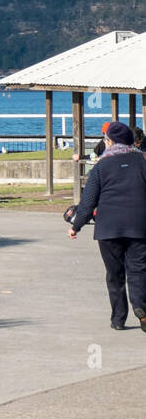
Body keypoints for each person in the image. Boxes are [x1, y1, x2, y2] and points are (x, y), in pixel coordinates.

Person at [69, 121, 146, 331]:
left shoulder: (101, 166)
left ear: (109, 141)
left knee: (114, 274)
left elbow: (88, 202)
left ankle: (118, 319)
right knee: (139, 270)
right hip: (139, 225)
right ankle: (142, 308)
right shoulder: (143, 161)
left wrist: (76, 226)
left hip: (108, 228)